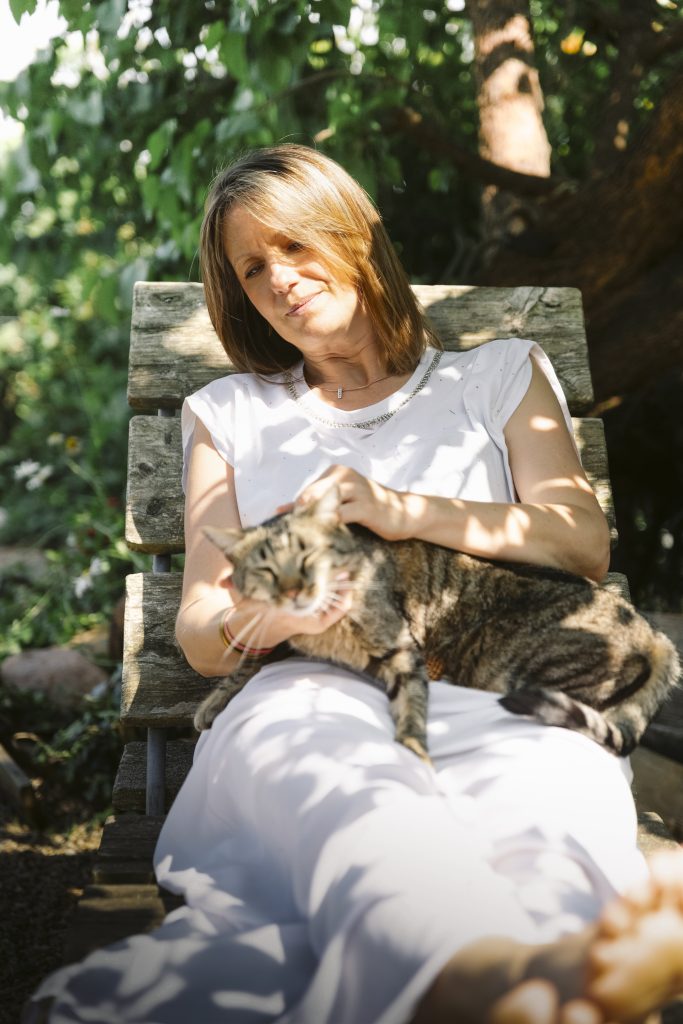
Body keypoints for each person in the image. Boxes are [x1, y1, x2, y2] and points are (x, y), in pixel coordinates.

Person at [29, 144, 683, 1024]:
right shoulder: (231, 414)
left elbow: (580, 542)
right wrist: (273, 615)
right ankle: (486, 981)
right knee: (355, 798)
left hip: (499, 694)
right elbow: (200, 628)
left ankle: (524, 974)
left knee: (548, 787)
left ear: (353, 236)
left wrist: (396, 508)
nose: (278, 279)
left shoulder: (497, 376)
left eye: (294, 245)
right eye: (251, 268)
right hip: (307, 695)